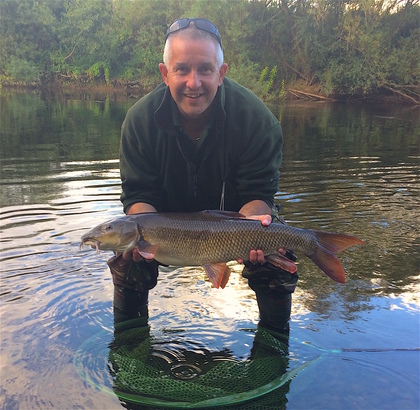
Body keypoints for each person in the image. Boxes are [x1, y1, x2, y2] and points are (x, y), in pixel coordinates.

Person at [108, 18, 298, 331]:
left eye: (205, 70)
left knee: (276, 260)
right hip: (165, 226)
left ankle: (274, 343)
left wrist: (250, 232)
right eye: (182, 69)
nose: (194, 82)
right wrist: (141, 239)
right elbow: (138, 197)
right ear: (165, 73)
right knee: (127, 255)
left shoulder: (257, 121)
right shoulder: (139, 121)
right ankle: (129, 337)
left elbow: (257, 197)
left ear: (221, 74)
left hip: (237, 224)